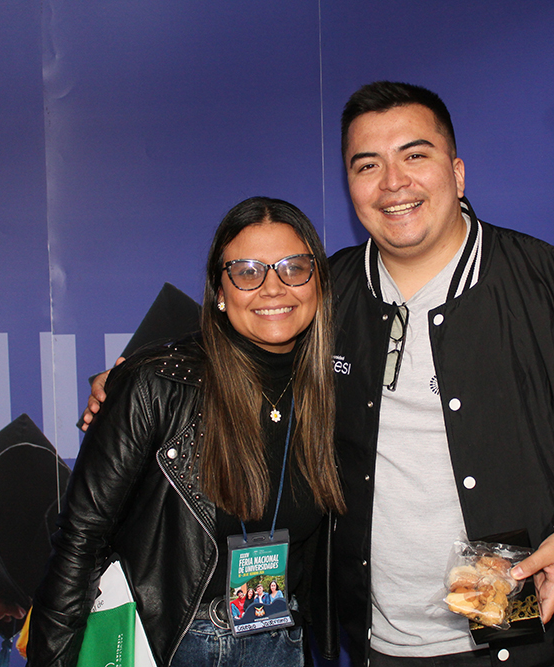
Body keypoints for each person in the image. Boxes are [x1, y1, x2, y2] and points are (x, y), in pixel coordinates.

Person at [81, 83, 554, 667]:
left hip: (527, 629)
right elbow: (245, 333)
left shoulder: (545, 282)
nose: (393, 182)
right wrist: (139, 375)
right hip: (377, 642)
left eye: (415, 155)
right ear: (350, 186)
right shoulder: (328, 292)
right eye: (368, 165)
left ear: (457, 173)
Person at [28, 197, 345, 667]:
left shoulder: (331, 389)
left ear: (318, 283)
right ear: (220, 291)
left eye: (293, 268)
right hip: (173, 644)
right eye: (247, 272)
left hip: (282, 637)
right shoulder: (157, 383)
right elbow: (81, 538)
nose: (273, 288)